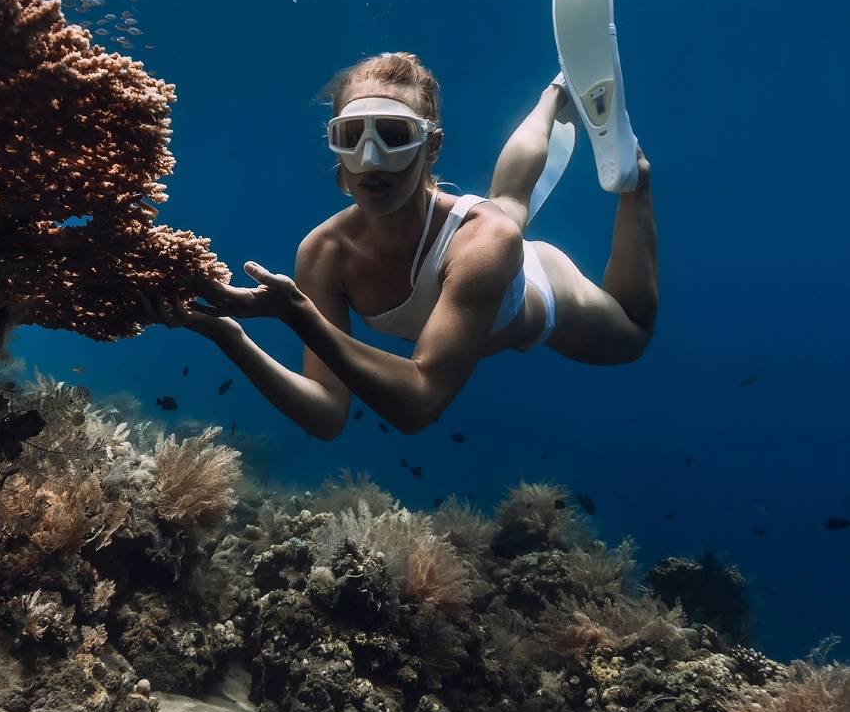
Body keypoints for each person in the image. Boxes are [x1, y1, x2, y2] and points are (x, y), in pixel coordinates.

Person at [132, 52, 658, 439]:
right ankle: (552, 100)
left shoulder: (487, 240)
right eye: (351, 136)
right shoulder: (324, 253)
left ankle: (633, 181)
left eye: (394, 134)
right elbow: (326, 414)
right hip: (474, 256)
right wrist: (228, 336)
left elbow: (420, 403)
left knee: (628, 331)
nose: (371, 157)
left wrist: (298, 316)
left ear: (431, 145)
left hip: (538, 289)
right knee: (508, 200)